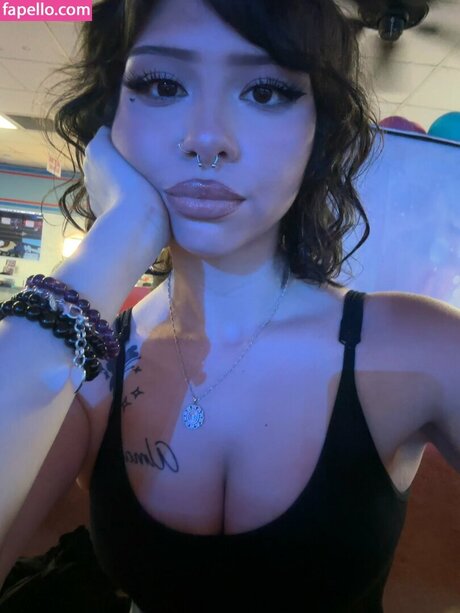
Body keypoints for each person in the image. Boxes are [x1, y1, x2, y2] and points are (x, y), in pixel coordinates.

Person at [0, 0, 459, 611]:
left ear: (318, 129)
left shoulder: (425, 347)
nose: (206, 139)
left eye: (265, 92)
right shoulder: (89, 368)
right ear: (111, 121)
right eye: (162, 85)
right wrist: (114, 242)